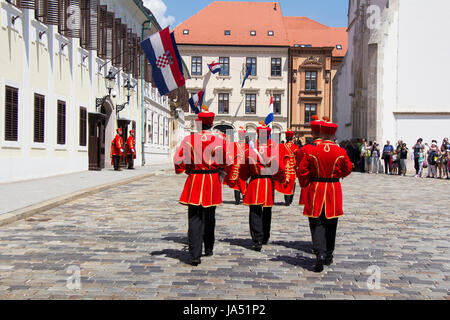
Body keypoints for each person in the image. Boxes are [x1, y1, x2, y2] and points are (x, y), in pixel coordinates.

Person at [173, 107, 229, 266]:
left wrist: (186, 170)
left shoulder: (189, 140)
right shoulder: (220, 140)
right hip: (212, 180)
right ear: (211, 124)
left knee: (194, 217)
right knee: (210, 216)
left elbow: (178, 160)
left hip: (195, 180)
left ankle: (194, 254)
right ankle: (209, 247)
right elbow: (227, 160)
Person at [298, 122, 353, 272]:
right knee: (331, 223)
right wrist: (339, 175)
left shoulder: (313, 151)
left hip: (316, 187)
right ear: (334, 135)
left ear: (321, 134)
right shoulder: (340, 151)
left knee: (316, 222)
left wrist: (305, 183)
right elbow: (348, 168)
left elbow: (302, 170)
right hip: (333, 189)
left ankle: (319, 253)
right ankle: (329, 254)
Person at [239, 122, 285, 252]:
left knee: (255, 211)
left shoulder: (250, 151)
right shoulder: (273, 151)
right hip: (268, 183)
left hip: (255, 183)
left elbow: (243, 170)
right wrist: (280, 179)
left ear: (258, 135)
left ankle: (257, 239)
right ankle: (265, 236)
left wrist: (244, 178)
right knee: (267, 211)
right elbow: (280, 168)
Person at [296, 116, 323, 206]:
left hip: (311, 185)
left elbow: (300, 168)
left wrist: (303, 183)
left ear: (311, 133)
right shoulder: (332, 148)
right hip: (329, 187)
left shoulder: (305, 149)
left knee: (313, 214)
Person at [223, 127, 249, 205]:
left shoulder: (234, 144)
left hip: (235, 167)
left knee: (236, 184)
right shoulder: (246, 146)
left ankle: (237, 201)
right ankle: (244, 199)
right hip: (242, 168)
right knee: (243, 183)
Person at [275, 130, 300, 206]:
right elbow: (298, 157)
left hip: (285, 168)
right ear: (292, 138)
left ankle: (287, 200)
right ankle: (290, 200)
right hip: (292, 169)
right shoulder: (295, 147)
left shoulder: (282, 146)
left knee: (286, 183)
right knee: (292, 184)